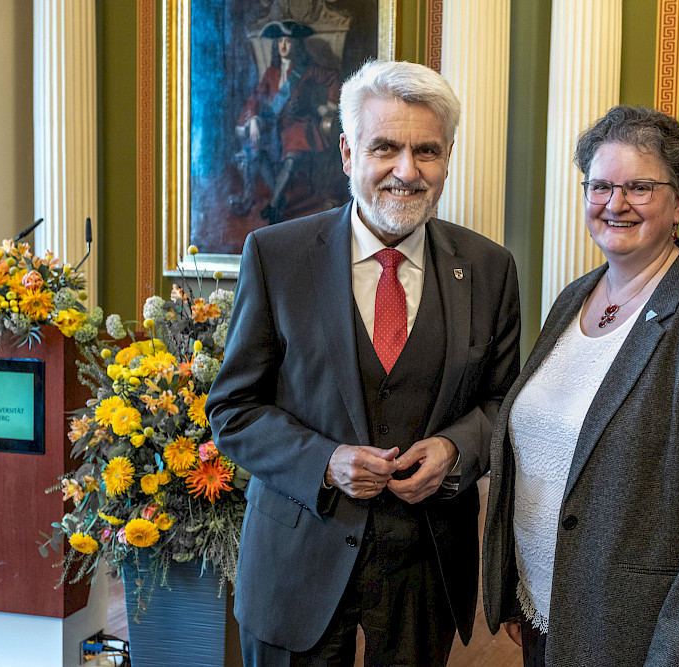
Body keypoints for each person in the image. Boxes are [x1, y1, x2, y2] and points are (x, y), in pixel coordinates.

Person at [206, 59, 521, 665]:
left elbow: (504, 403)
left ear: (448, 159)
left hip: (424, 571)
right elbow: (234, 409)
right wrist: (324, 463)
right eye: (385, 148)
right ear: (349, 154)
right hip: (295, 565)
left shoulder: (489, 269)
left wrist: (454, 450)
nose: (407, 171)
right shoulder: (277, 256)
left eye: (426, 151)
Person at [481, 105, 679, 666]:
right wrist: (523, 591)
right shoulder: (574, 299)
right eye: (601, 186)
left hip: (640, 636)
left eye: (639, 187)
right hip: (550, 613)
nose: (615, 204)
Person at [229, 20, 342, 224]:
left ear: (296, 45)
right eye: (280, 41)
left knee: (290, 160)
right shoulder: (271, 73)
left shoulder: (307, 69)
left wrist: (330, 106)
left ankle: (273, 206)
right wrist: (253, 118)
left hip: (299, 124)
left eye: (288, 41)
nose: (283, 45)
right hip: (275, 125)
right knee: (256, 152)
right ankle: (277, 196)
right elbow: (256, 97)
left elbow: (333, 78)